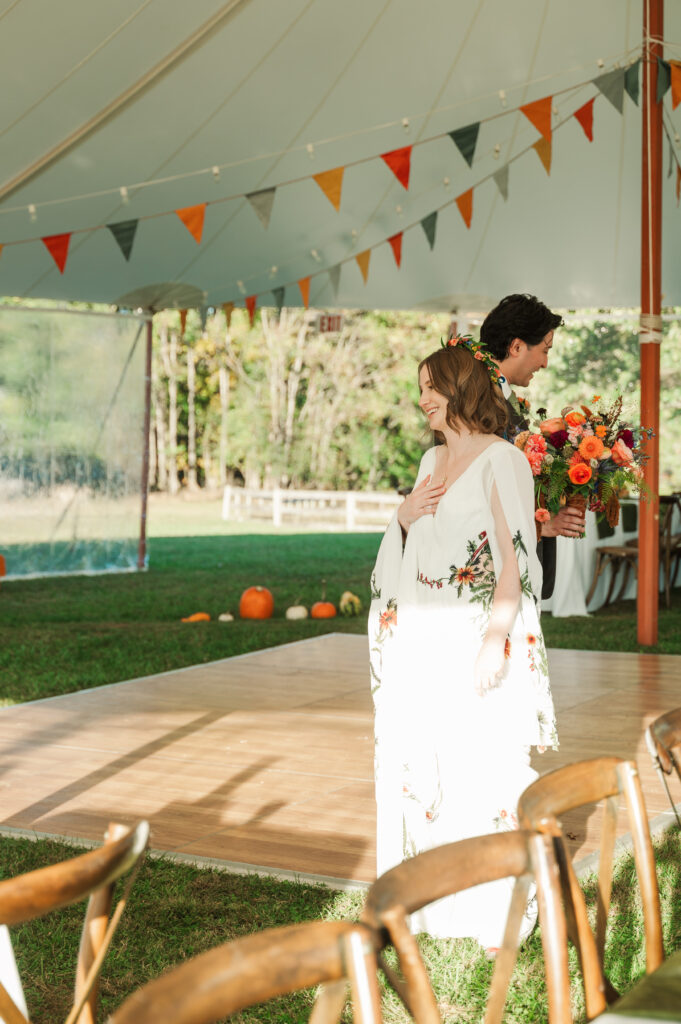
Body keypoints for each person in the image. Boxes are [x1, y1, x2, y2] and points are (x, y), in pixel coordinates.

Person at [369, 339, 557, 950]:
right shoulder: (429, 465)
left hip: (474, 633)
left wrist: (495, 640)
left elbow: (514, 560)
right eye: (419, 387)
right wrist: (401, 516)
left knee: (477, 762)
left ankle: (487, 904)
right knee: (425, 759)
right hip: (422, 638)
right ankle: (429, 900)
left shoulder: (503, 460)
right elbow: (414, 545)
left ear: (462, 387)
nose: (421, 398)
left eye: (432, 385)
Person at [479, 293, 586, 599]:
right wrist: (540, 525)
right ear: (516, 346)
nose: (545, 362)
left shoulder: (500, 395)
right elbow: (478, 488)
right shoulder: (480, 401)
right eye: (544, 350)